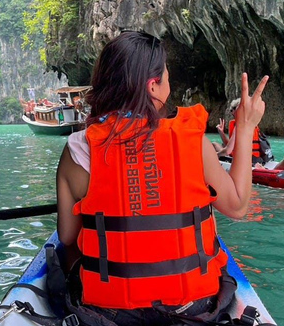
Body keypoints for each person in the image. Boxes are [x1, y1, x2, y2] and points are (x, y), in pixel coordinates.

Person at [55, 31, 268, 326]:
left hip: (109, 311)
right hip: (193, 307)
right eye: (167, 76)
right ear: (154, 85)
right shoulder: (192, 141)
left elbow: (66, 237)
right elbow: (237, 205)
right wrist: (245, 127)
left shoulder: (78, 148)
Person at [213, 98, 273, 167]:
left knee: (214, 145)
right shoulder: (253, 123)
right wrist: (221, 132)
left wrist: (215, 155)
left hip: (245, 161)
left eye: (233, 109)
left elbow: (228, 150)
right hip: (256, 159)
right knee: (218, 145)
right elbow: (230, 146)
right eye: (231, 110)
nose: (232, 112)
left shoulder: (239, 125)